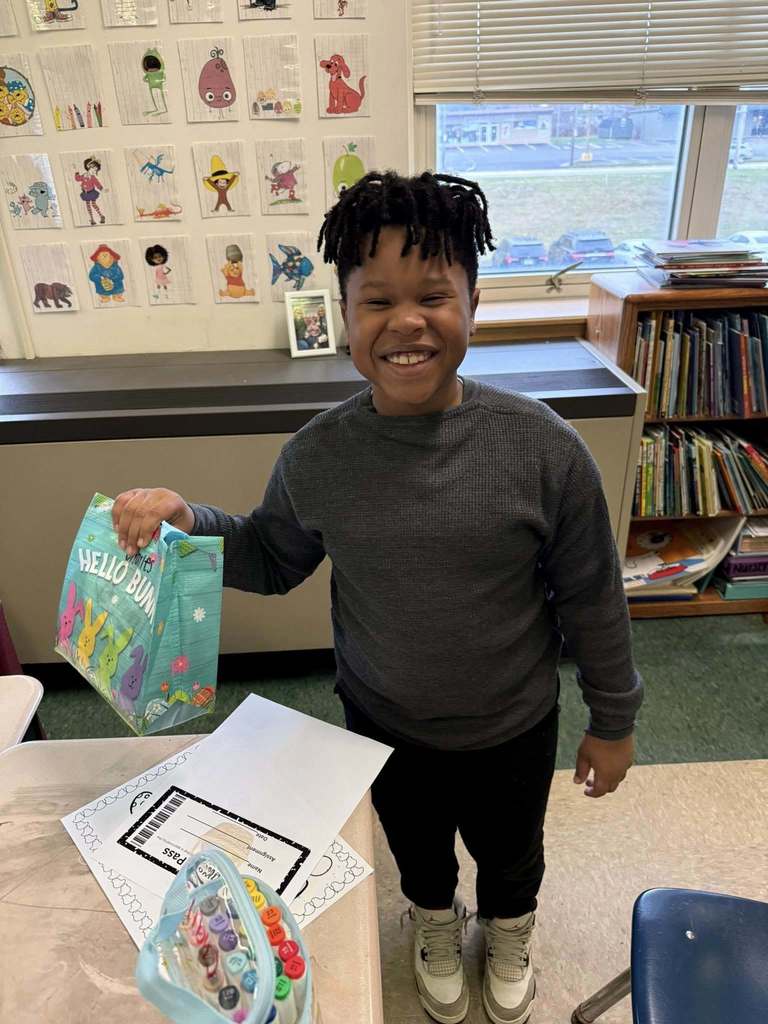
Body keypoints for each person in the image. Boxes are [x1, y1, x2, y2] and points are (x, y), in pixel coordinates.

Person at [112, 171, 642, 1024]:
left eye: (433, 295)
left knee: (513, 852)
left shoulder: (544, 449)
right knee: (417, 852)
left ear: (473, 303)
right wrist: (189, 520)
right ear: (344, 314)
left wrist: (613, 722)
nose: (406, 321)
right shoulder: (319, 455)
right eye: (378, 301)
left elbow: (592, 598)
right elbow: (270, 555)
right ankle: (434, 921)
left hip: (513, 721)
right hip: (384, 718)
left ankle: (510, 927)